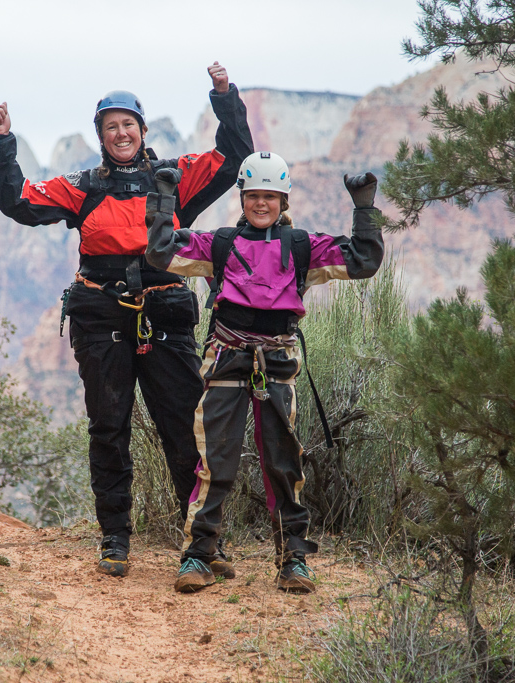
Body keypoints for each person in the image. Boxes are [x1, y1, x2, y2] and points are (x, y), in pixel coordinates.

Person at [0, 62, 253, 578]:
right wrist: (3, 142)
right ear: (101, 135)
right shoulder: (82, 186)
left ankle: (201, 540)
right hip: (102, 316)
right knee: (109, 427)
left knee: (182, 428)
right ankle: (115, 539)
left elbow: (234, 156)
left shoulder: (174, 178)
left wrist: (225, 95)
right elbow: (17, 201)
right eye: (111, 126)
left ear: (143, 130)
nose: (121, 133)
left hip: (165, 317)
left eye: (128, 123)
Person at [144, 152, 384, 593]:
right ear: (242, 197)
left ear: (283, 199)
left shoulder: (303, 248)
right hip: (226, 362)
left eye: (270, 196)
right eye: (253, 195)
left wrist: (364, 206)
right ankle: (199, 554)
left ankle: (293, 560)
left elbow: (364, 260)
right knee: (215, 462)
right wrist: (162, 199)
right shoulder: (219, 245)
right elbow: (161, 251)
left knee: (282, 464)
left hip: (276, 366)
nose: (261, 204)